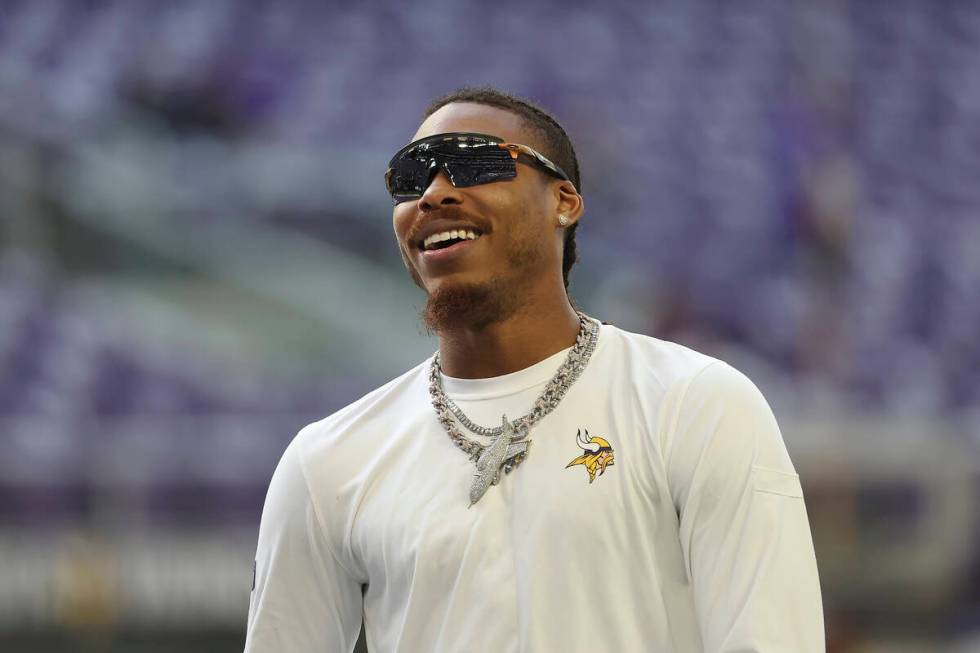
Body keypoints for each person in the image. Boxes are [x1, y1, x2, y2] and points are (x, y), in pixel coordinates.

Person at [244, 87, 825, 652]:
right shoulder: (327, 462)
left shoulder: (695, 405)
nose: (434, 194)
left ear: (564, 202)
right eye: (409, 178)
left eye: (475, 165)